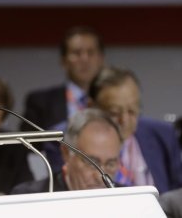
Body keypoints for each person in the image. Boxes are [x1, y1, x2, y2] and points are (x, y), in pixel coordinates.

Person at [45, 66, 182, 193]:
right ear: (91, 107)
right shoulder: (62, 139)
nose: (125, 120)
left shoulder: (163, 134)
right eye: (115, 112)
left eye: (132, 111)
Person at [11, 108, 123, 194]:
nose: (100, 177)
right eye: (91, 162)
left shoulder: (130, 199)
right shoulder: (29, 198)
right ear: (66, 154)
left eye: (110, 164)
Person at [21, 26, 105, 132]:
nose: (84, 59)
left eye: (91, 52)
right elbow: (27, 147)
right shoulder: (41, 103)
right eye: (77, 53)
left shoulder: (115, 101)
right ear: (64, 61)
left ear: (101, 59)